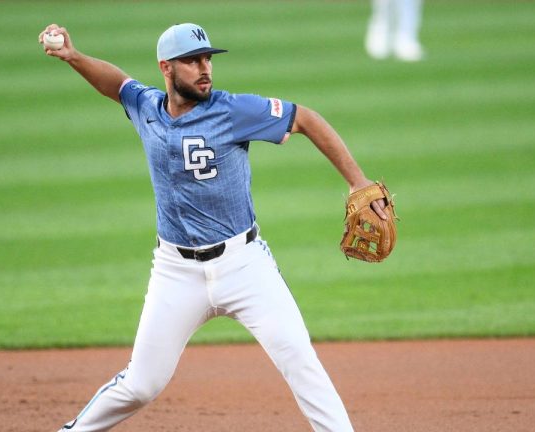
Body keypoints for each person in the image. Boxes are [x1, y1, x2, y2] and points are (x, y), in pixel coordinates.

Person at [39, 22, 389, 432]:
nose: (205, 68)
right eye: (192, 61)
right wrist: (75, 57)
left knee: (299, 358)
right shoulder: (147, 108)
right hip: (175, 272)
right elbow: (116, 84)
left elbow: (305, 119)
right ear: (166, 68)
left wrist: (358, 180)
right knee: (141, 384)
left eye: (207, 59)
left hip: (244, 265)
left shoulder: (233, 110)